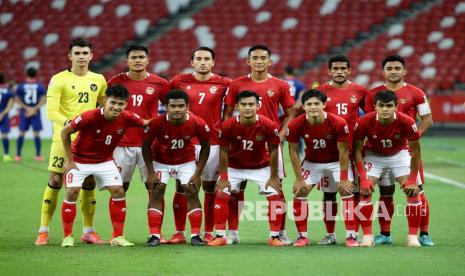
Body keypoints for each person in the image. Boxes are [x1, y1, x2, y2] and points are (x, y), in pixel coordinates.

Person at [35, 38, 107, 246]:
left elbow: (104, 107)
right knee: (56, 181)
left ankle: (88, 231)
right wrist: (72, 124)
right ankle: (43, 230)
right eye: (77, 53)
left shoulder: (99, 79)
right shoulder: (58, 79)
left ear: (91, 56)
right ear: (70, 56)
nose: (82, 57)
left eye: (85, 53)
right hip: (64, 137)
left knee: (88, 182)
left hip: (89, 140)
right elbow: (51, 112)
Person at [223, 44, 296, 244]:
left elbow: (290, 114)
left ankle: (280, 232)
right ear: (248, 61)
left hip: (269, 144)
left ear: (270, 61)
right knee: (236, 190)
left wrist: (280, 133)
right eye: (255, 58)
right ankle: (233, 233)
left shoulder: (280, 85)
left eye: (263, 57)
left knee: (277, 188)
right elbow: (228, 114)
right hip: (240, 143)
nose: (259, 61)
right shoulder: (237, 84)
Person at [60, 85, 149, 247]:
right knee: (72, 192)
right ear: (104, 101)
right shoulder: (88, 117)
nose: (116, 107)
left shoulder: (127, 117)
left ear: (126, 104)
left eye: (120, 104)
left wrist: (169, 118)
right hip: (79, 160)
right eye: (113, 103)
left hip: (104, 161)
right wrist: (69, 160)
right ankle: (67, 236)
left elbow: (147, 123)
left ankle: (117, 236)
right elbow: (65, 132)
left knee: (118, 190)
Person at [365, 55, 434, 246]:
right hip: (380, 152)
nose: (393, 71)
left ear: (404, 71)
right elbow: (369, 120)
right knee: (385, 192)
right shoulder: (372, 94)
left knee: (416, 190)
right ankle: (385, 233)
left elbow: (427, 119)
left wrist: (414, 137)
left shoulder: (416, 92)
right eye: (389, 68)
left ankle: (424, 233)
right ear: (383, 71)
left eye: (397, 68)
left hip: (407, 152)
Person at [169, 46, 231, 243]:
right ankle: (180, 232)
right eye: (199, 58)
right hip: (184, 141)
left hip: (212, 143)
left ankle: (208, 231)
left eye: (207, 59)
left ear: (213, 62)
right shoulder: (178, 81)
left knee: (209, 188)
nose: (202, 62)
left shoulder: (224, 83)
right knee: (182, 186)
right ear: (192, 62)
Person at [208, 91, 286, 246]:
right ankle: (220, 236)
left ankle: (275, 237)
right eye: (244, 104)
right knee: (221, 192)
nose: (248, 107)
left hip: (260, 166)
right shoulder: (228, 125)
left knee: (275, 195)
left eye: (251, 104)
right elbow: (223, 150)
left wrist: (273, 176)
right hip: (234, 166)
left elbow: (273, 150)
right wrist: (223, 177)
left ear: (258, 106)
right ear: (237, 106)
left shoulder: (268, 125)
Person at [287, 89, 358, 247]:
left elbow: (344, 151)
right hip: (313, 162)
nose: (313, 107)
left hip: (336, 162)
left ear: (324, 105)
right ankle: (303, 237)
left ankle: (351, 236)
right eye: (309, 104)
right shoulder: (295, 124)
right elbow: (292, 151)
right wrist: (299, 179)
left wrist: (344, 178)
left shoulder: (338, 122)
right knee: (300, 192)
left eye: (317, 103)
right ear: (304, 107)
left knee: (346, 191)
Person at [142, 89, 211, 247]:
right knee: (157, 191)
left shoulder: (197, 123)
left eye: (181, 106)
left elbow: (206, 147)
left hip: (185, 161)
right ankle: (154, 235)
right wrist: (151, 172)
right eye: (173, 106)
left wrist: (198, 173)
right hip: (161, 161)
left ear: (187, 107)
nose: (177, 109)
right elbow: (145, 146)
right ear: (166, 107)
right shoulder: (156, 123)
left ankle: (195, 235)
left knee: (192, 191)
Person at [354, 90, 423, 247]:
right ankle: (367, 237)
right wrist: (363, 178)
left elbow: (416, 151)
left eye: (389, 106)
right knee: (365, 191)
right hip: (373, 155)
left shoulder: (407, 121)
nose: (385, 109)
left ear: (396, 107)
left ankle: (412, 237)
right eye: (381, 106)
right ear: (375, 107)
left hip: (399, 155)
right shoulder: (364, 121)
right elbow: (357, 150)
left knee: (413, 191)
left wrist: (412, 179)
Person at [314, 54, 367, 245]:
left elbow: (370, 116)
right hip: (327, 154)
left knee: (355, 192)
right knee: (329, 194)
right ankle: (330, 234)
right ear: (329, 71)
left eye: (343, 68)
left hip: (352, 151)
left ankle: (354, 233)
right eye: (335, 69)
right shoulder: (319, 92)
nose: (339, 72)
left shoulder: (360, 91)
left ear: (349, 70)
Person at [107, 45, 169, 193]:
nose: (137, 60)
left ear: (148, 60)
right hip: (121, 143)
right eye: (133, 57)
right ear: (126, 61)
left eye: (141, 57)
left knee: (154, 188)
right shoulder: (114, 83)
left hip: (149, 143)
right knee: (119, 188)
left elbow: (171, 107)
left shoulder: (161, 84)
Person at [14, 67, 47, 162]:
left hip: (24, 112)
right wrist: (34, 108)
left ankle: (18, 155)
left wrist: (26, 108)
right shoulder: (40, 86)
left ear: (26, 74)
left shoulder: (21, 86)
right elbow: (44, 99)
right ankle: (38, 156)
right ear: (36, 74)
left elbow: (16, 99)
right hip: (35, 112)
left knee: (21, 133)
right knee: (36, 134)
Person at [0, 73, 14, 162]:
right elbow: (10, 105)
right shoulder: (8, 91)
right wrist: (2, 114)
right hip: (3, 116)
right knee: (4, 135)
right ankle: (6, 155)